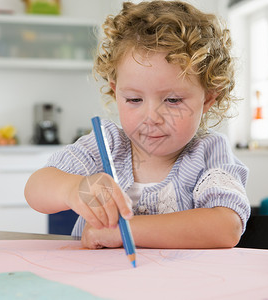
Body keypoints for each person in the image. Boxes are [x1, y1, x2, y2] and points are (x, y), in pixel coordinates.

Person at [25, 1, 250, 249]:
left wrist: (125, 232)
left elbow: (227, 227)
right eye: (134, 99)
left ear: (207, 98)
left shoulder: (210, 154)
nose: (151, 117)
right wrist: (73, 189)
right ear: (115, 91)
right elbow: (36, 189)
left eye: (173, 100)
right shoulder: (107, 146)